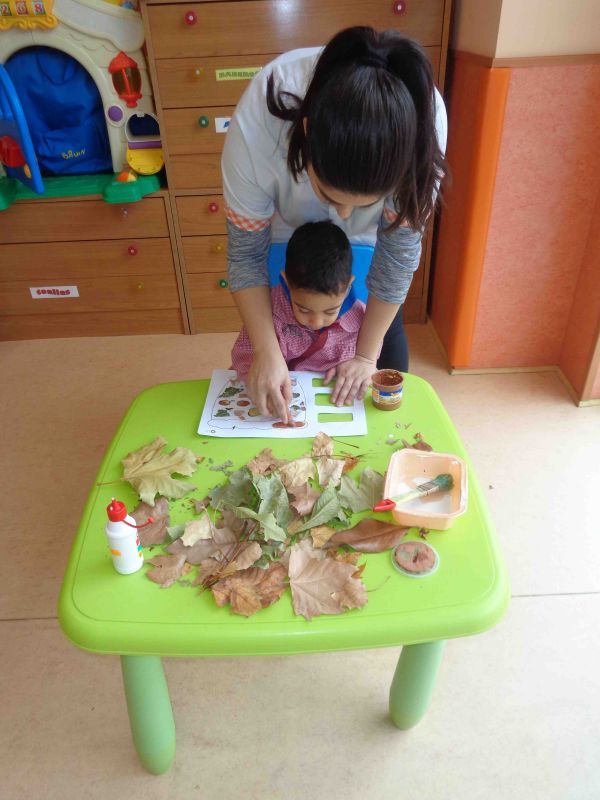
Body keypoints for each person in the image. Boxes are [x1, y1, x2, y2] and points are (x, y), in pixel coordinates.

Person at [222, 26, 447, 421]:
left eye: (364, 201)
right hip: (286, 228)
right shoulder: (260, 122)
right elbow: (246, 255)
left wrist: (366, 356)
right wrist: (265, 350)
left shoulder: (423, 133)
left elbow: (396, 260)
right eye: (329, 195)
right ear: (307, 133)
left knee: (382, 346)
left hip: (377, 238)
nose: (345, 216)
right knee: (283, 329)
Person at [231, 221, 371, 385]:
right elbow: (244, 362)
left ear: (348, 286)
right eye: (304, 310)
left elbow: (366, 360)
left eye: (330, 311)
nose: (316, 323)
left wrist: (349, 366)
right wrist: (261, 367)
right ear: (286, 282)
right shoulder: (267, 314)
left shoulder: (360, 319)